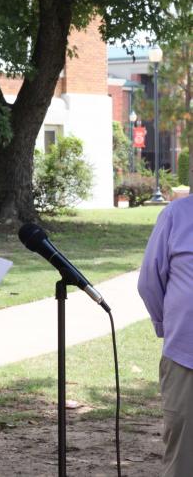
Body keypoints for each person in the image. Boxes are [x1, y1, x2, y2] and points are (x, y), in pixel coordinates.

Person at [138, 194, 193, 477]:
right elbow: (150, 281)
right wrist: (170, 327)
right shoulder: (176, 215)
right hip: (186, 358)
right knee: (183, 459)